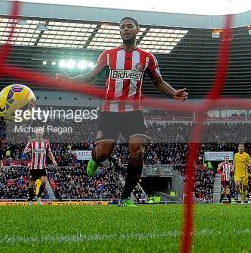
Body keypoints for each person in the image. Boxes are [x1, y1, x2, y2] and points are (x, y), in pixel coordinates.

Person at [57, 17, 187, 207]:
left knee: (138, 151)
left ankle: (125, 198)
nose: (125, 29)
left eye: (129, 26)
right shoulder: (108, 55)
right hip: (110, 112)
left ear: (137, 30)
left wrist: (173, 92)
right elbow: (92, 76)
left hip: (134, 113)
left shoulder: (147, 58)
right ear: (120, 31)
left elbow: (158, 81)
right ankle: (95, 159)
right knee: (103, 152)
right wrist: (70, 80)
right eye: (122, 27)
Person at [24, 129, 57, 205]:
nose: (39, 134)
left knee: (44, 182)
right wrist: (28, 150)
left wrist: (53, 160)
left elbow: (49, 152)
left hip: (42, 166)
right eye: (38, 132)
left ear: (42, 134)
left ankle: (38, 198)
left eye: (41, 132)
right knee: (31, 184)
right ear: (36, 133)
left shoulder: (46, 142)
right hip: (33, 167)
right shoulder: (31, 142)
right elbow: (25, 151)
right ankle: (30, 200)